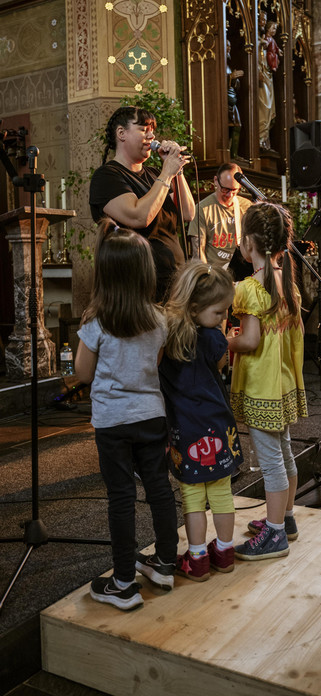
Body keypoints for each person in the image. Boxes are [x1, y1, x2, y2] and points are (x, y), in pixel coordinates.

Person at [75, 219, 179, 611]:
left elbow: (83, 374)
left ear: (105, 273)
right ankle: (165, 563)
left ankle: (122, 583)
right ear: (146, 272)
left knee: (121, 497)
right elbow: (155, 364)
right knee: (159, 488)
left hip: (113, 422)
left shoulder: (96, 321)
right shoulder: (159, 319)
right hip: (151, 416)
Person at [227, 202, 308, 560]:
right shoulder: (286, 281)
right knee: (285, 451)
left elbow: (249, 341)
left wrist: (225, 341)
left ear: (248, 243)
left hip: (261, 386)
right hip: (283, 382)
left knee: (271, 461)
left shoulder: (249, 287)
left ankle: (274, 535)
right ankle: (285, 519)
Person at [159, 260, 243, 581]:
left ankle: (197, 559)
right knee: (221, 492)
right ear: (194, 308)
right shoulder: (212, 338)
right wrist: (222, 335)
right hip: (218, 426)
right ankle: (224, 552)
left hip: (185, 430)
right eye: (219, 312)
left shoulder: (166, 336)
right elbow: (219, 365)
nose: (223, 318)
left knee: (192, 496)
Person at [89, 105, 195, 303]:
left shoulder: (155, 174)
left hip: (174, 281)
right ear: (121, 133)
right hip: (138, 286)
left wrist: (177, 171)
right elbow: (139, 217)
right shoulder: (107, 176)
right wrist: (167, 173)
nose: (151, 136)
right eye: (144, 129)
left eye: (152, 130)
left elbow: (188, 213)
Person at [188, 162, 251, 269]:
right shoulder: (201, 209)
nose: (229, 195)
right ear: (216, 181)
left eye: (234, 190)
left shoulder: (247, 206)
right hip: (214, 271)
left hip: (241, 270)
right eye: (225, 189)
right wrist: (207, 274)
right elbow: (198, 252)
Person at [258, 18, 282, 151]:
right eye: (261, 20)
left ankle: (265, 138)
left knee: (270, 109)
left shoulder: (270, 42)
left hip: (269, 75)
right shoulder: (260, 40)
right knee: (265, 106)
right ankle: (260, 138)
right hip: (262, 76)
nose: (274, 31)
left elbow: (274, 50)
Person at [226, 38, 244, 158]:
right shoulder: (219, 64)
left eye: (230, 46)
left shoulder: (228, 66)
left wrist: (235, 79)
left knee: (237, 126)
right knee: (227, 129)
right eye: (227, 45)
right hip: (224, 102)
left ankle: (234, 155)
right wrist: (230, 77)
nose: (229, 48)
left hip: (232, 102)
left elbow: (235, 86)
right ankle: (228, 154)